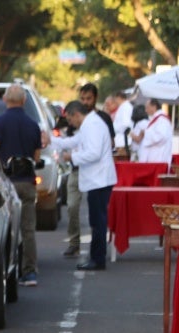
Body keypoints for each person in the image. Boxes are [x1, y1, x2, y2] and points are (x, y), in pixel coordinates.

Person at [52, 100, 117, 271]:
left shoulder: (93, 125)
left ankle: (98, 258)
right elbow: (72, 142)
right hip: (97, 179)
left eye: (70, 119)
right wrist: (52, 140)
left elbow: (94, 153)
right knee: (96, 220)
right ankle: (96, 256)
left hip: (99, 180)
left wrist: (72, 158)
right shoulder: (88, 125)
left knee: (98, 221)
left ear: (76, 114)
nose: (70, 123)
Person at [0, 84, 42, 286]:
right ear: (24, 100)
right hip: (27, 182)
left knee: (8, 229)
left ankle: (9, 271)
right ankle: (30, 272)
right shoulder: (32, 124)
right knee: (28, 229)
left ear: (5, 100)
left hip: (7, 184)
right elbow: (37, 156)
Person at [133, 98, 173, 166]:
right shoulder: (157, 119)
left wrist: (145, 133)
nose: (146, 110)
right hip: (154, 156)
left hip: (158, 156)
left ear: (154, 107)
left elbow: (161, 136)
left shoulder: (162, 120)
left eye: (147, 108)